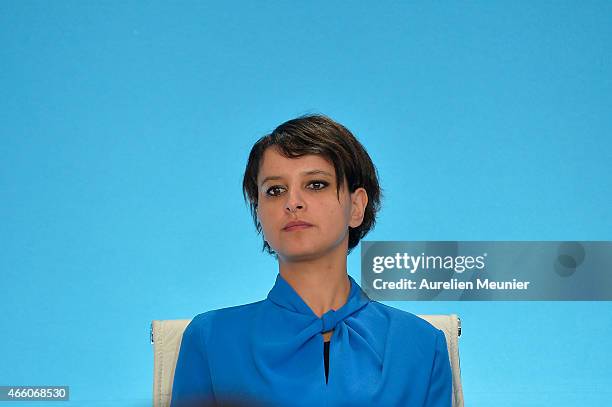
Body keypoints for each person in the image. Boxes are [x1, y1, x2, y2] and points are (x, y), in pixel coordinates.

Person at [171, 114, 452, 407]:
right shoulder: (211, 339)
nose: (293, 202)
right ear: (260, 215)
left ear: (356, 207)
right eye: (275, 190)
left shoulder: (422, 345)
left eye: (316, 184)